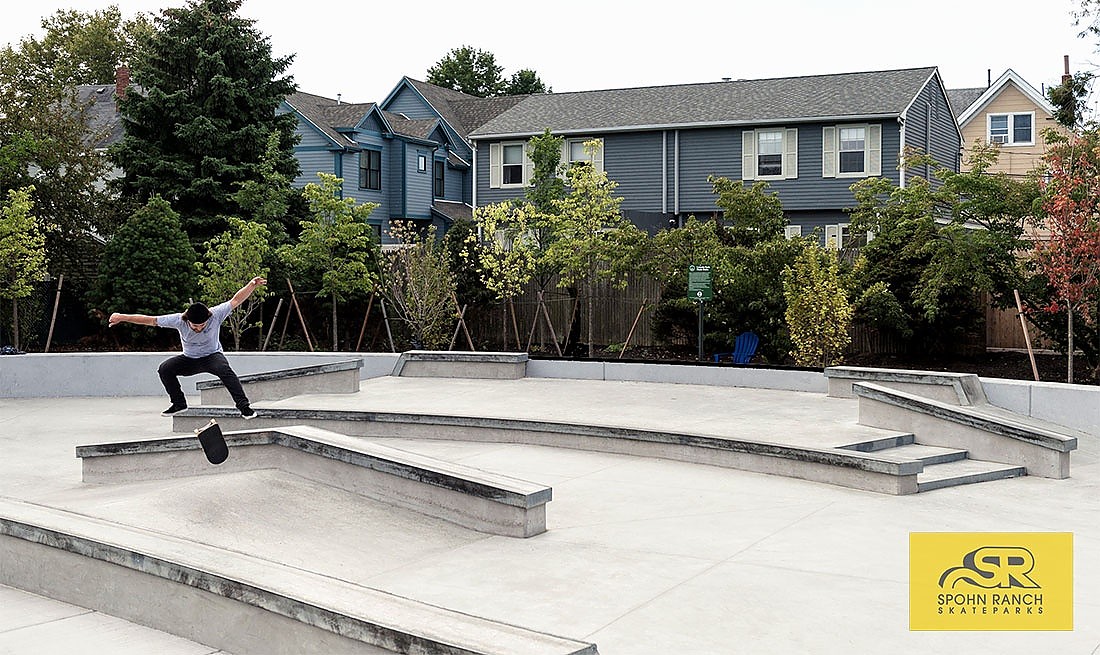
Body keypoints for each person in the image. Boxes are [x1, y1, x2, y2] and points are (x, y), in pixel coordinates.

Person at [109, 277, 267, 418]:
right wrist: (122, 317)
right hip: (189, 359)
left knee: (225, 371)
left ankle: (244, 407)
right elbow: (150, 320)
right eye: (195, 326)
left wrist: (251, 285)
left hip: (212, 356)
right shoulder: (178, 320)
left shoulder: (216, 314)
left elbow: (235, 301)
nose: (198, 328)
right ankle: (179, 403)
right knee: (165, 368)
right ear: (187, 320)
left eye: (202, 325)